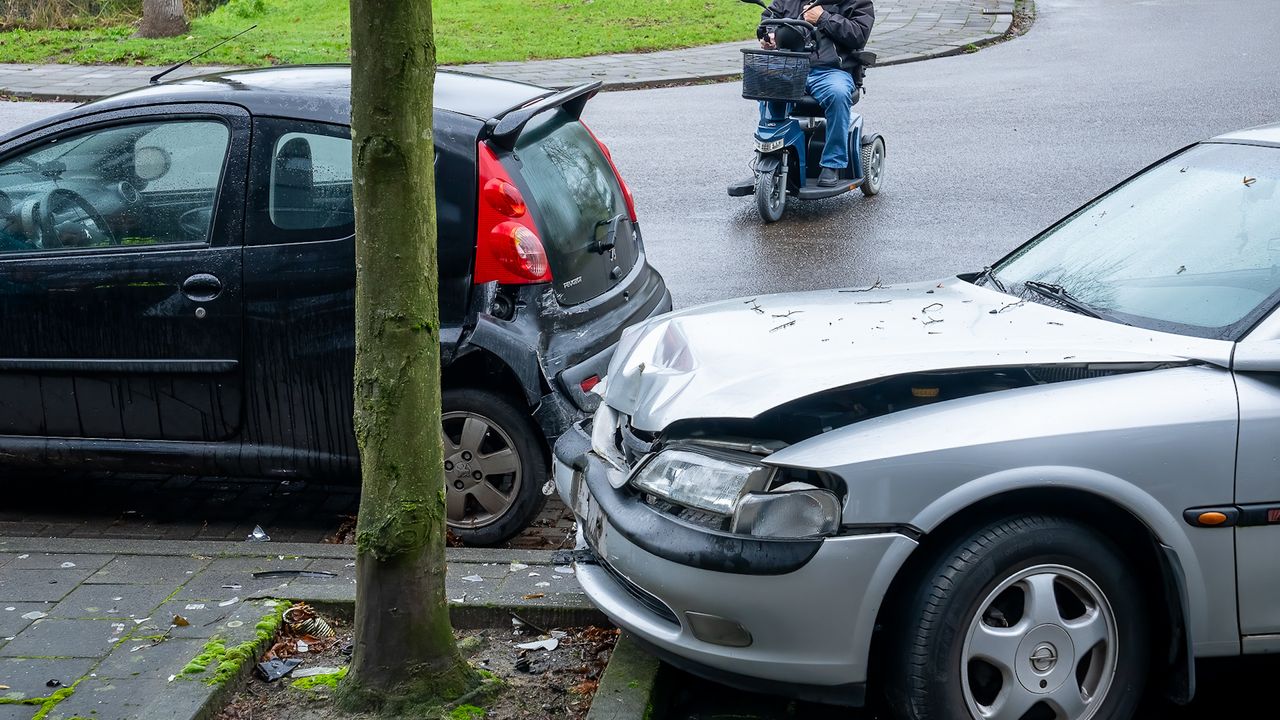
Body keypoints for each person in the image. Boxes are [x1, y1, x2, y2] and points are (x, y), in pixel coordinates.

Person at [758, 0, 874, 187]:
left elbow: (859, 34)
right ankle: (770, 153)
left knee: (837, 94)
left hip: (832, 70)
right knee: (768, 86)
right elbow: (769, 18)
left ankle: (832, 163)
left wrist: (823, 18)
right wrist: (768, 35)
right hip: (792, 67)